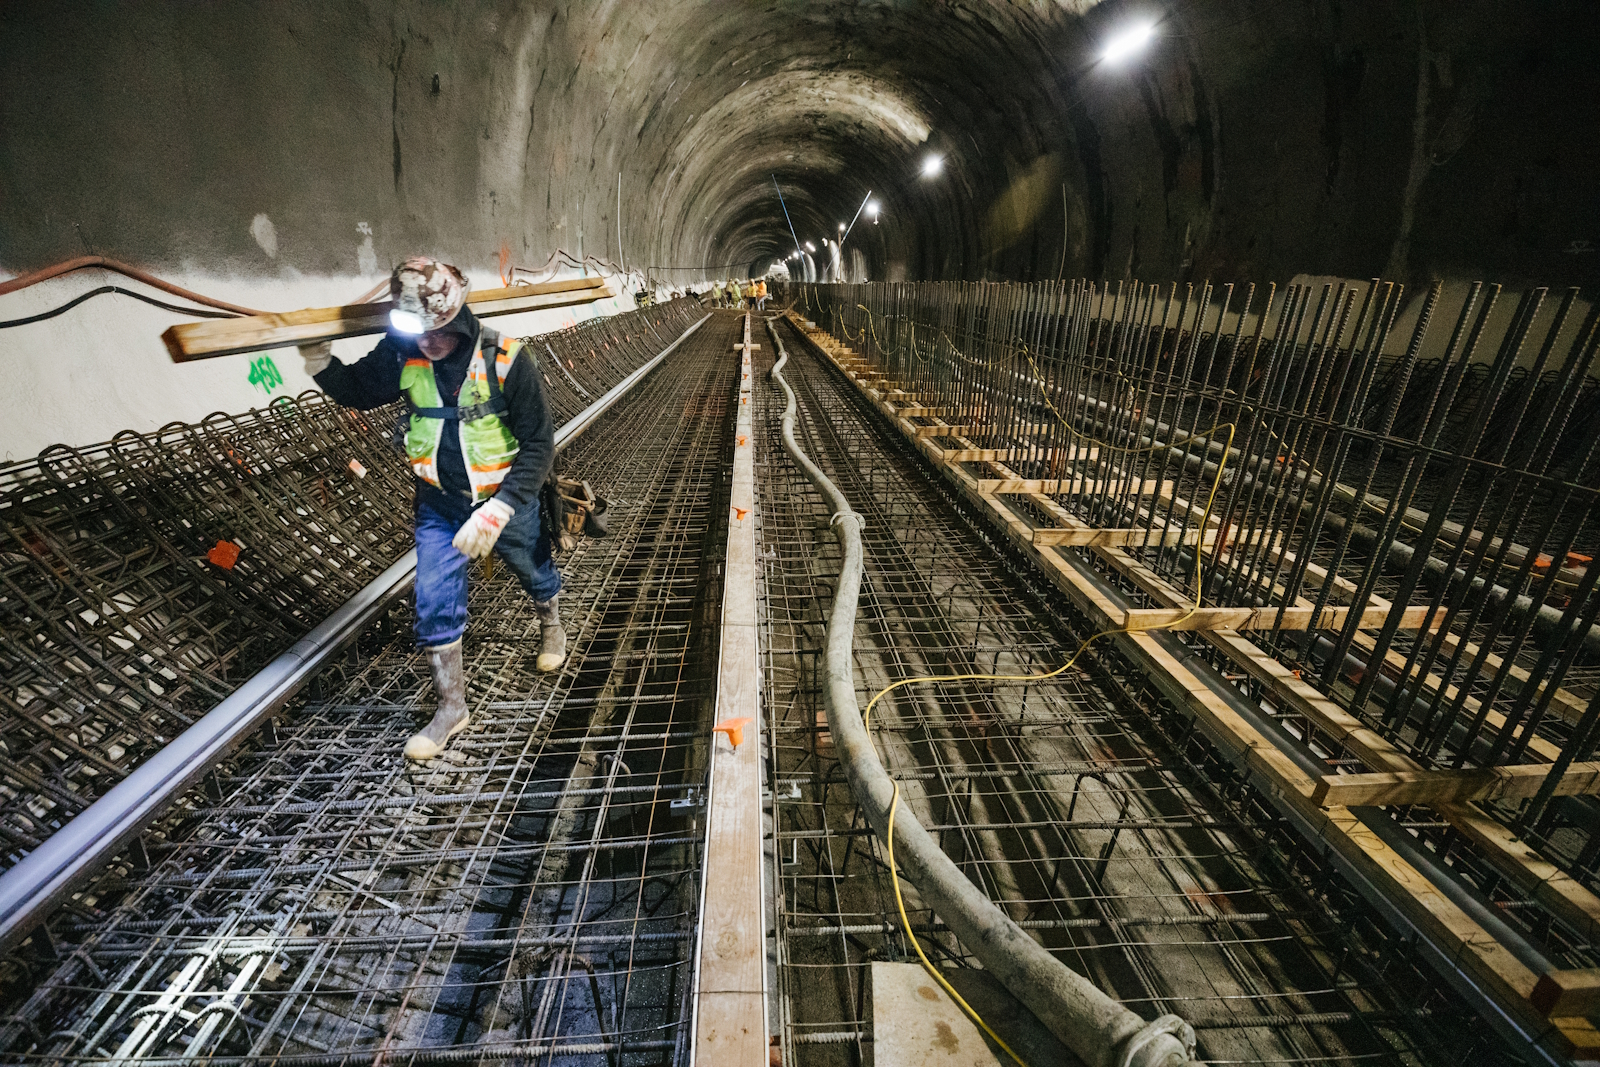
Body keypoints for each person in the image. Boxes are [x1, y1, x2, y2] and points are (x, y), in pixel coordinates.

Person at [299, 256, 565, 761]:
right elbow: (358, 391)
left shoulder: (506, 358)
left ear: (458, 319)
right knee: (434, 597)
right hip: (440, 503)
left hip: (503, 496)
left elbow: (539, 444)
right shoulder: (402, 351)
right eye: (417, 335)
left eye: (436, 334)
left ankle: (550, 619)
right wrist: (321, 364)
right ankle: (451, 707)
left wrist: (501, 509)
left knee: (532, 566)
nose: (427, 344)